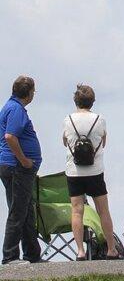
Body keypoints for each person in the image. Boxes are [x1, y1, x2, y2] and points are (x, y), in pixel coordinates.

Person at [62, 84, 119, 260]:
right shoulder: (99, 119)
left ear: (75, 101)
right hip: (95, 171)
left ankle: (80, 251)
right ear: (92, 101)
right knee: (103, 210)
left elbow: (65, 142)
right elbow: (103, 143)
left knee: (77, 211)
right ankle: (111, 249)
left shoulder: (68, 120)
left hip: (74, 172)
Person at [1, 76, 42, 266]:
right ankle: (10, 256)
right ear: (29, 92)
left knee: (26, 209)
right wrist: (24, 160)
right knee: (18, 210)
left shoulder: (12, 107)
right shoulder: (16, 109)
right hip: (16, 167)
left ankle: (32, 253)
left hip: (15, 167)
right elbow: (10, 136)